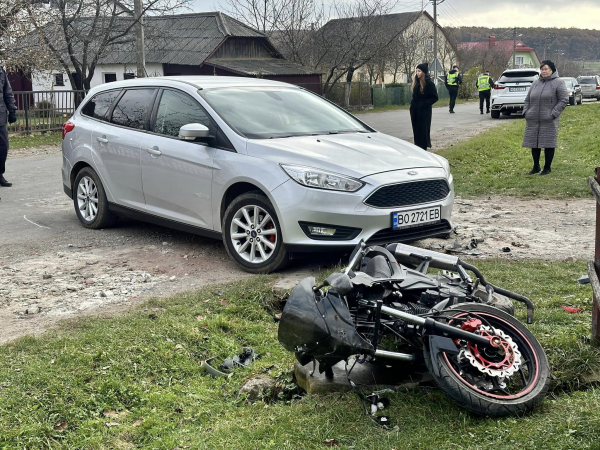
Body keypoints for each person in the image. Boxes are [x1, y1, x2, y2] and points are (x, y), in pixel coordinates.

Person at [522, 60, 569, 175]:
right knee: (534, 143)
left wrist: (553, 114)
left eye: (546, 69)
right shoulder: (535, 83)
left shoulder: (558, 82)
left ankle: (547, 167)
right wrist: (526, 112)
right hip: (533, 118)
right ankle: (536, 167)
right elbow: (527, 99)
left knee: (548, 143)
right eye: (542, 69)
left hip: (548, 119)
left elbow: (564, 99)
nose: (543, 71)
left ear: (552, 70)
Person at [410, 63, 438, 150]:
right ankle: (417, 146)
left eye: (419, 71)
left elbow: (434, 97)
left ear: (424, 72)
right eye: (416, 71)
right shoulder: (416, 83)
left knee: (423, 129)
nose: (417, 73)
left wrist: (423, 104)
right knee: (416, 129)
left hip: (424, 111)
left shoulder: (429, 84)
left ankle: (423, 147)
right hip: (415, 110)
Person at [0, 66, 17, 187]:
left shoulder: (1, 71)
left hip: (0, 116)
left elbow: (7, 92)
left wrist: (12, 111)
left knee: (3, 146)